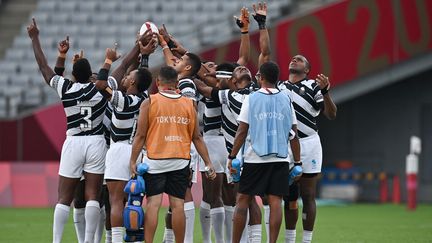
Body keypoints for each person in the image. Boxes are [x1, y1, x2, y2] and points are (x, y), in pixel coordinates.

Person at [28, 18, 107, 243]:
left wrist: (35, 38)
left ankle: (57, 241)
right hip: (95, 141)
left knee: (64, 198)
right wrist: (115, 58)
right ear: (91, 74)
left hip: (73, 141)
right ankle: (90, 240)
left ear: (73, 74)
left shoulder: (66, 88)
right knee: (93, 194)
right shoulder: (100, 90)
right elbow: (119, 72)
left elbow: (44, 69)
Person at [129, 66, 217, 243]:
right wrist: (208, 163)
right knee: (177, 206)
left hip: (155, 161)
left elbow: (140, 135)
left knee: (153, 205)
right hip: (180, 161)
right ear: (177, 83)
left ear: (158, 82)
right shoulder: (188, 104)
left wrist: (132, 161)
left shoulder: (150, 102)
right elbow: (197, 137)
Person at [227, 61, 300, 243]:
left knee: (243, 199)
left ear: (262, 78)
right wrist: (297, 162)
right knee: (276, 202)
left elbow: (242, 130)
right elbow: (294, 134)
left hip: (255, 158)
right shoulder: (286, 99)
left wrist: (232, 156)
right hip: (280, 158)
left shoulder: (251, 98)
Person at [94, 31, 156, 243]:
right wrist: (144, 55)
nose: (126, 77)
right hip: (140, 153)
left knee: (116, 200)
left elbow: (101, 85)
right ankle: (137, 239)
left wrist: (108, 61)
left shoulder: (122, 100)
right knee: (136, 200)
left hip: (119, 150)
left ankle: (117, 240)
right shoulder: (145, 98)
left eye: (129, 77)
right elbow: (143, 76)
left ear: (131, 84)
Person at [194, 63, 263, 243]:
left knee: (244, 198)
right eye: (238, 70)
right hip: (238, 152)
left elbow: (206, 85)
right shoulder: (231, 93)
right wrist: (193, 69)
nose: (243, 68)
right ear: (232, 80)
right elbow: (206, 85)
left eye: (244, 69)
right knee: (242, 198)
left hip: (248, 152)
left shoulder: (249, 90)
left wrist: (188, 71)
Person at [279, 55, 337, 243]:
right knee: (289, 196)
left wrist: (326, 92)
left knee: (308, 194)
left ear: (306, 70)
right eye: (293, 58)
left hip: (309, 144)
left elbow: (331, 114)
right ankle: (290, 239)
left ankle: (307, 240)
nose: (294, 59)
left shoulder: (313, 86)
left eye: (300, 59)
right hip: (286, 145)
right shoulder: (279, 87)